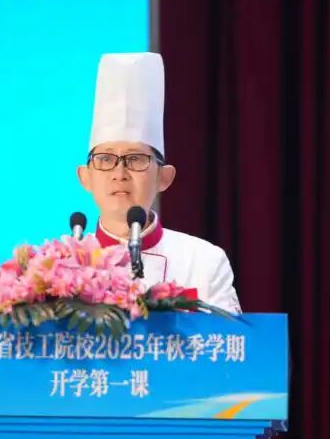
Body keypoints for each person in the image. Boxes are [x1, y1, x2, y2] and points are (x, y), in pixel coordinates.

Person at [76, 52, 242, 314]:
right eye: (105, 159)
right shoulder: (58, 266)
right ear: (85, 177)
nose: (120, 173)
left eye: (136, 159)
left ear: (164, 178)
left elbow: (231, 340)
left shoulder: (204, 261)